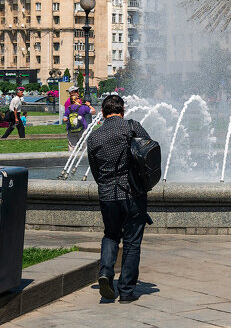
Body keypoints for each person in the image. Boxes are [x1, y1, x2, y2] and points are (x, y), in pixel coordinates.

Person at [86, 94, 153, 303]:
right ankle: (126, 292)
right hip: (132, 193)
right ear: (122, 111)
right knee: (132, 242)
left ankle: (106, 272)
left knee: (111, 235)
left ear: (103, 113)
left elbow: (95, 171)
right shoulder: (132, 127)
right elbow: (149, 151)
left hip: (107, 194)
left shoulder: (94, 137)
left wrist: (106, 185)